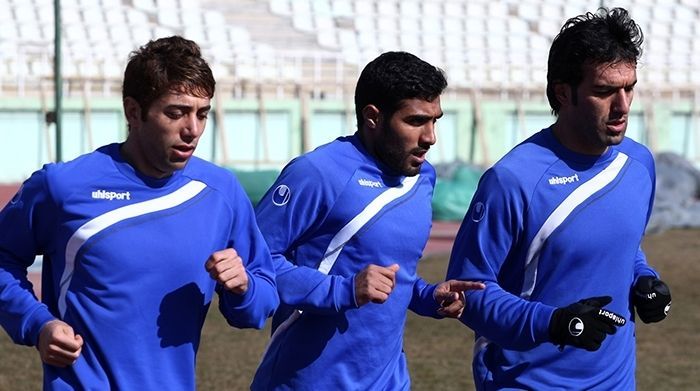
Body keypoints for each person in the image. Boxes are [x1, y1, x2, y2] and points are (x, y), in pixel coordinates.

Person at [0, 36, 278, 390]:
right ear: (133, 111)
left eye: (202, 113)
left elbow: (260, 305)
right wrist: (37, 323)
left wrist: (244, 287)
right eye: (176, 112)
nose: (192, 130)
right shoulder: (63, 186)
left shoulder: (221, 194)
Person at [446, 7, 671, 389]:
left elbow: (625, 248)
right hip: (526, 382)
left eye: (629, 88)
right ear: (563, 93)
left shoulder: (639, 164)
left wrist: (645, 279)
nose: (623, 106)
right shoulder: (513, 180)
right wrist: (551, 323)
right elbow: (464, 294)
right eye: (604, 92)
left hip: (615, 382)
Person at [250, 51, 485, 390]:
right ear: (373, 117)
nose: (430, 137)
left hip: (389, 381)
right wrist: (342, 290)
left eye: (435, 120)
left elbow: (394, 276)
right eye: (416, 121)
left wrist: (428, 296)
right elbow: (254, 261)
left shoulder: (422, 179)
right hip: (307, 381)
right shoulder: (317, 173)